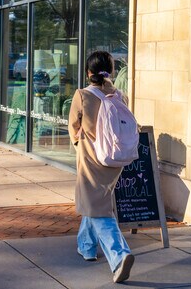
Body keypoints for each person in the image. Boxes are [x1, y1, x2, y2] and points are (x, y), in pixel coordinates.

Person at [69, 51, 135, 283]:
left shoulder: (83, 95)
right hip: (115, 160)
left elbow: (73, 126)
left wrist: (79, 142)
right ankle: (86, 247)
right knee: (96, 200)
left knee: (98, 208)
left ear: (89, 72)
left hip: (90, 159)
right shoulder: (119, 96)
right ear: (111, 71)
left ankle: (119, 256)